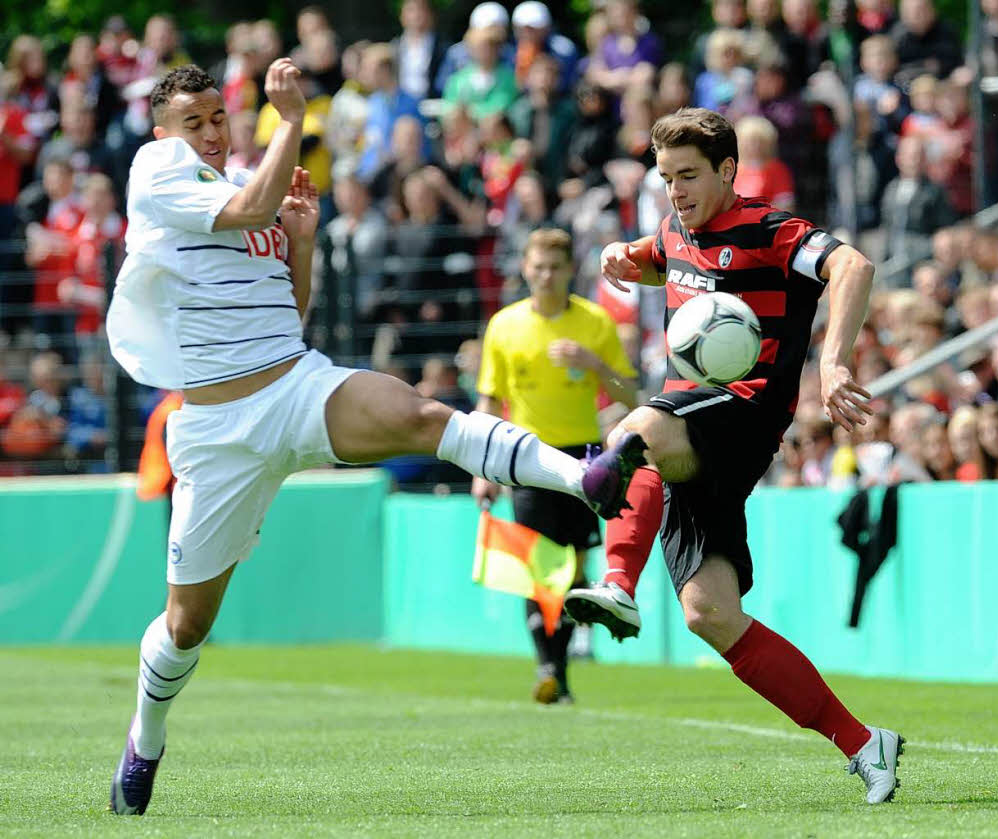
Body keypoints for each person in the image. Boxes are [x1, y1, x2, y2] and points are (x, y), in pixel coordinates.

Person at [105, 61, 647, 817]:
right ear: (163, 130)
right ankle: (146, 738)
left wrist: (299, 240)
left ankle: (582, 475)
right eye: (192, 120)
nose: (207, 130)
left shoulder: (240, 188)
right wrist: (291, 121)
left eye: (215, 117)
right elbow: (256, 193)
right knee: (187, 624)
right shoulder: (158, 171)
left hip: (294, 384)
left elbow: (287, 313)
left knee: (418, 414)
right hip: (220, 431)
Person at [561, 107, 904, 804]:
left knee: (633, 434)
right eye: (665, 178)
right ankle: (866, 743)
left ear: (727, 170)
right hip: (692, 429)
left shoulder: (773, 230)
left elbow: (853, 265)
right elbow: (664, 261)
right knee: (710, 613)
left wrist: (832, 362)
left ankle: (618, 585)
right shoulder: (673, 228)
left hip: (744, 411)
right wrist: (624, 256)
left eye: (688, 175)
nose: (675, 190)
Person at [473, 228, 638, 703]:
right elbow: (489, 399)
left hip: (583, 459)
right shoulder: (505, 326)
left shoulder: (594, 323)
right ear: (525, 269)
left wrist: (593, 364)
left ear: (569, 272)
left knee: (575, 570)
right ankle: (549, 666)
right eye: (538, 267)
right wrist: (480, 468)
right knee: (538, 569)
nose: (545, 276)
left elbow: (631, 393)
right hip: (524, 457)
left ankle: (560, 668)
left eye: (555, 268)